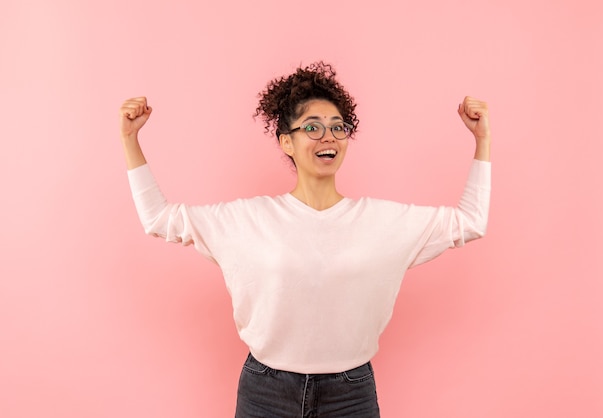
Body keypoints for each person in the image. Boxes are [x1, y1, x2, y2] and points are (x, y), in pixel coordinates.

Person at [119, 61, 491, 417]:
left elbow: (470, 222)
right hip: (266, 391)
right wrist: (130, 139)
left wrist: (482, 139)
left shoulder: (383, 220)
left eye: (338, 127)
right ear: (286, 142)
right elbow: (159, 219)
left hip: (351, 394)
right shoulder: (247, 218)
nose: (328, 136)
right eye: (312, 128)